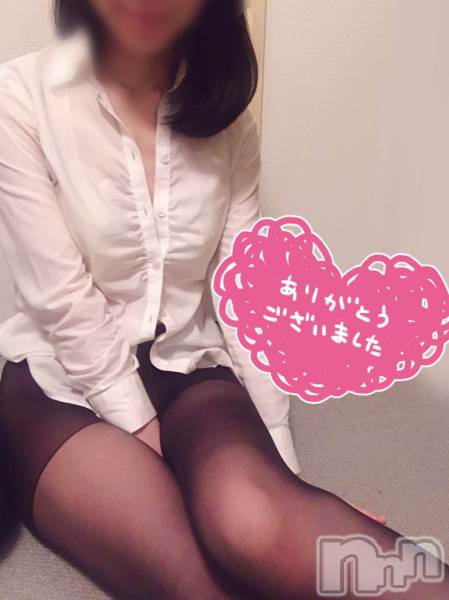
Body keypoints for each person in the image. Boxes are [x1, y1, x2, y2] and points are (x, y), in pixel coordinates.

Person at [0, 1, 447, 598]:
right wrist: (157, 450)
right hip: (60, 382)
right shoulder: (20, 98)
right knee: (200, 579)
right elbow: (61, 298)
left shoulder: (230, 125)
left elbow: (248, 301)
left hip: (187, 365)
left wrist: (290, 489)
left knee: (256, 522)